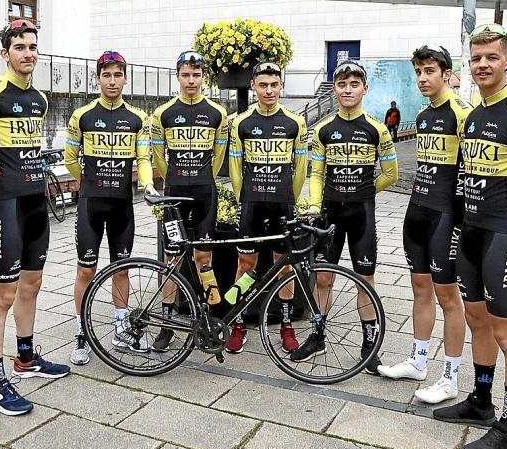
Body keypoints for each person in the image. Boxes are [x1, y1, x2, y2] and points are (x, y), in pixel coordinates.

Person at [433, 24, 507, 449]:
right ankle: (481, 404)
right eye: (476, 58)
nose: (483, 64)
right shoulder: (474, 113)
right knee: (477, 320)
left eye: (491, 57)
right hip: (472, 231)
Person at [0, 19, 69, 417]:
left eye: (32, 47)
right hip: (4, 203)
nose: (28, 53)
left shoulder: (40, 99)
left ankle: (25, 358)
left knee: (33, 283)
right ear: (4, 53)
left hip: (34, 202)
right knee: (3, 294)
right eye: (20, 47)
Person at [377, 45, 472, 404]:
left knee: (449, 297)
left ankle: (450, 377)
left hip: (447, 215)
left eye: (430, 71)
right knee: (419, 289)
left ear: (447, 73)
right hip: (416, 209)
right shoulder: (423, 114)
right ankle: (418, 362)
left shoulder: (462, 113)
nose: (422, 78)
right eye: (418, 71)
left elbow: (474, 170)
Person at [295, 60, 397, 368]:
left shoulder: (378, 129)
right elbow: (315, 173)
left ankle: (369, 344)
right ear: (335, 89)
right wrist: (314, 205)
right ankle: (317, 337)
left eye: (354, 84)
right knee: (323, 278)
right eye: (342, 84)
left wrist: (364, 191)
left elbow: (391, 174)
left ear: (364, 88)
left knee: (365, 279)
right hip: (330, 214)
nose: (348, 89)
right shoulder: (323, 130)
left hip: (362, 214)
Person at [64, 51, 155, 363]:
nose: (112, 81)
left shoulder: (138, 118)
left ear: (125, 78)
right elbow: (69, 159)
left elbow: (143, 158)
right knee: (85, 270)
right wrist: (87, 181)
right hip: (91, 204)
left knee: (122, 268)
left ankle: (120, 327)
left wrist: (148, 184)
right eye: (107, 75)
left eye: (118, 75)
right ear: (98, 78)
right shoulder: (83, 116)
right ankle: (81, 332)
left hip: (122, 205)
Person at [227, 61, 308, 354]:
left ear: (281, 86)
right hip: (251, 203)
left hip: (282, 204)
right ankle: (238, 322)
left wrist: (291, 198)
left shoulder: (294, 122)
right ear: (253, 87)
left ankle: (286, 325)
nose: (269, 90)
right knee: (244, 266)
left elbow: (301, 167)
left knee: (285, 267)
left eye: (274, 85)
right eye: (263, 85)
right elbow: (235, 166)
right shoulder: (241, 122)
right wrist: (242, 198)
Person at [151, 51, 228, 352]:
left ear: (203, 78)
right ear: (178, 76)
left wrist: (200, 174)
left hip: (205, 193)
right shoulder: (164, 113)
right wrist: (173, 177)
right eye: (186, 74)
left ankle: (207, 318)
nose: (191, 80)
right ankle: (167, 323)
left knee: (203, 258)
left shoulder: (217, 113)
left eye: (196, 75)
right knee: (172, 260)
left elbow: (219, 155)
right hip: (174, 195)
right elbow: (159, 156)